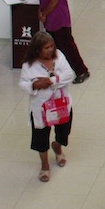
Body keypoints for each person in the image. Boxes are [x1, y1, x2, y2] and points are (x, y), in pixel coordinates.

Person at [19, 30, 74, 183]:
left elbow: (69, 75)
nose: (51, 50)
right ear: (37, 49)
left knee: (64, 133)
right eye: (47, 47)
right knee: (40, 138)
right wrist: (35, 84)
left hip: (61, 105)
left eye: (52, 46)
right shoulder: (28, 66)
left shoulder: (59, 56)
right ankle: (44, 165)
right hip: (41, 109)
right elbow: (23, 84)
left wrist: (51, 81)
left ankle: (57, 146)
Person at [33, 0, 90, 83]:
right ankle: (57, 70)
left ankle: (81, 70)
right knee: (53, 47)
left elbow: (54, 1)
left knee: (67, 46)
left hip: (59, 18)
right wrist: (40, 11)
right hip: (50, 19)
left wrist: (44, 13)